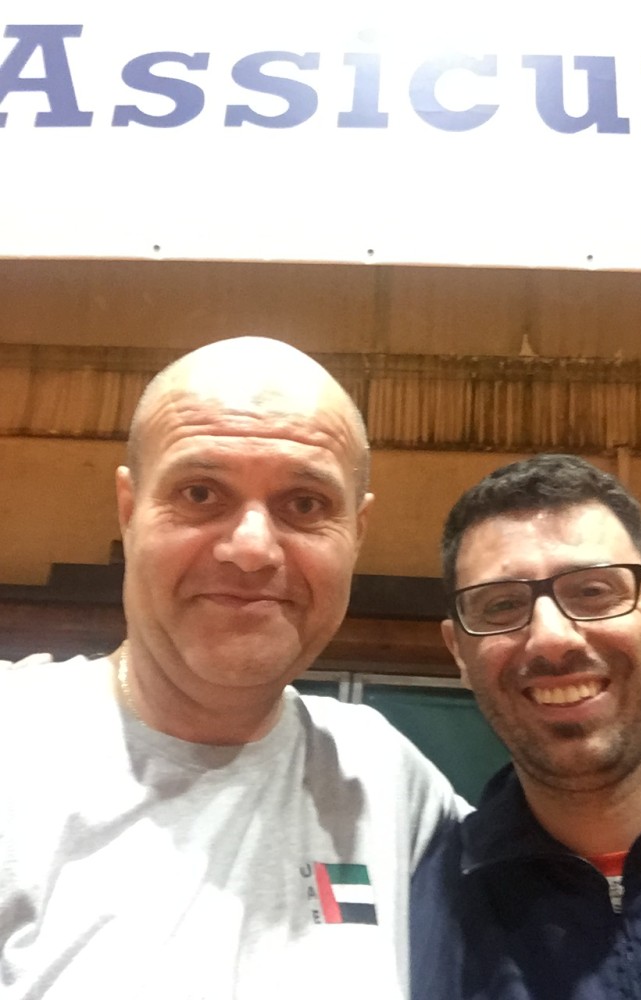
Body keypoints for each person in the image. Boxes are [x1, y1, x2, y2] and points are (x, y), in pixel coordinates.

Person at [0, 336, 462, 1000]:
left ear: (356, 534)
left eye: (304, 504)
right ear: (129, 511)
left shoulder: (382, 777)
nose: (251, 549)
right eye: (200, 493)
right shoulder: (14, 745)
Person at [411, 453, 641, 999]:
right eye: (501, 605)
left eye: (593, 592)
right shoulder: (428, 905)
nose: (552, 638)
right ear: (459, 653)